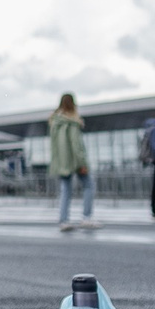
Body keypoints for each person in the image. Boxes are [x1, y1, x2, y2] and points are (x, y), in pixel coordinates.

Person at [49, 93, 96, 231]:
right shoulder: (72, 121)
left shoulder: (55, 121)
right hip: (75, 161)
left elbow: (54, 146)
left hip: (62, 162)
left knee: (65, 190)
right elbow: (76, 145)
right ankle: (86, 218)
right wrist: (82, 163)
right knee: (89, 185)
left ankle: (64, 221)